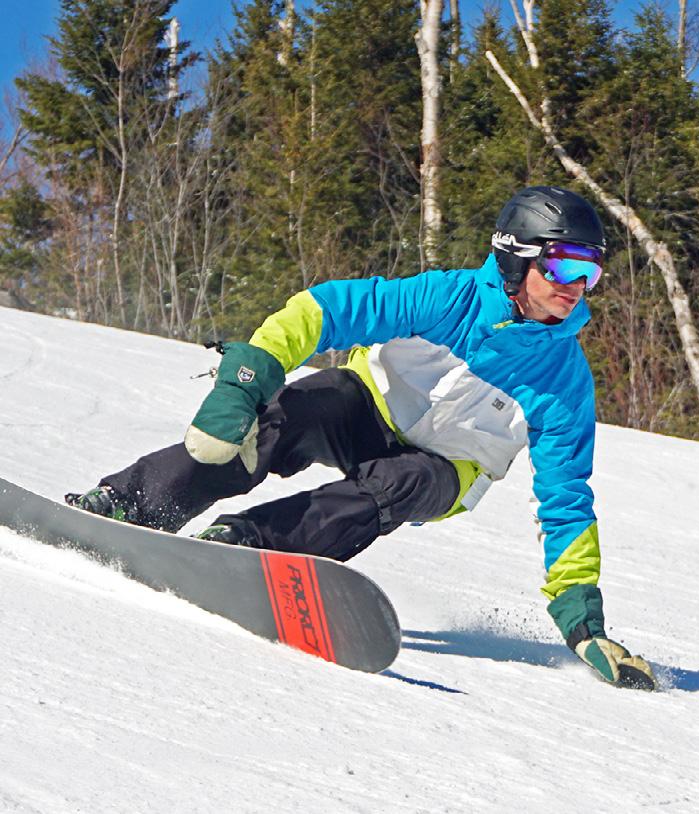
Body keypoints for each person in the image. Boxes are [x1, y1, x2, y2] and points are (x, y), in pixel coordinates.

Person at [68, 186, 656, 690]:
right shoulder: (448, 298)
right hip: (369, 406)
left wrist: (583, 622)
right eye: (564, 266)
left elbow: (565, 499)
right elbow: (325, 309)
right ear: (515, 259)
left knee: (400, 483)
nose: (577, 285)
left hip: (446, 468)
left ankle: (247, 548)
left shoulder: (564, 382)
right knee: (288, 417)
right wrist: (247, 380)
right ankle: (133, 502)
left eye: (590, 270)